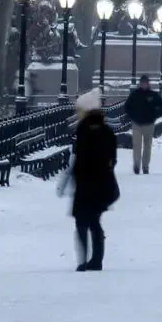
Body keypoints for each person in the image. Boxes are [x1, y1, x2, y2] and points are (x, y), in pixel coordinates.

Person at [66, 90, 120, 270]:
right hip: (102, 184)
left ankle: (84, 260)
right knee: (94, 222)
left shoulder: (83, 130)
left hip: (85, 184)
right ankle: (96, 260)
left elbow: (79, 156)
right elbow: (113, 159)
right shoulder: (107, 132)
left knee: (82, 222)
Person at [123, 73, 162, 174]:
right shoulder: (135, 94)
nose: (144, 85)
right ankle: (137, 165)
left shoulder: (153, 95)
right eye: (142, 83)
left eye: (145, 83)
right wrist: (132, 116)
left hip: (149, 124)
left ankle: (145, 166)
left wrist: (155, 115)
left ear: (148, 84)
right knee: (137, 145)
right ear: (140, 84)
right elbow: (127, 106)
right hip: (137, 123)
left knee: (147, 146)